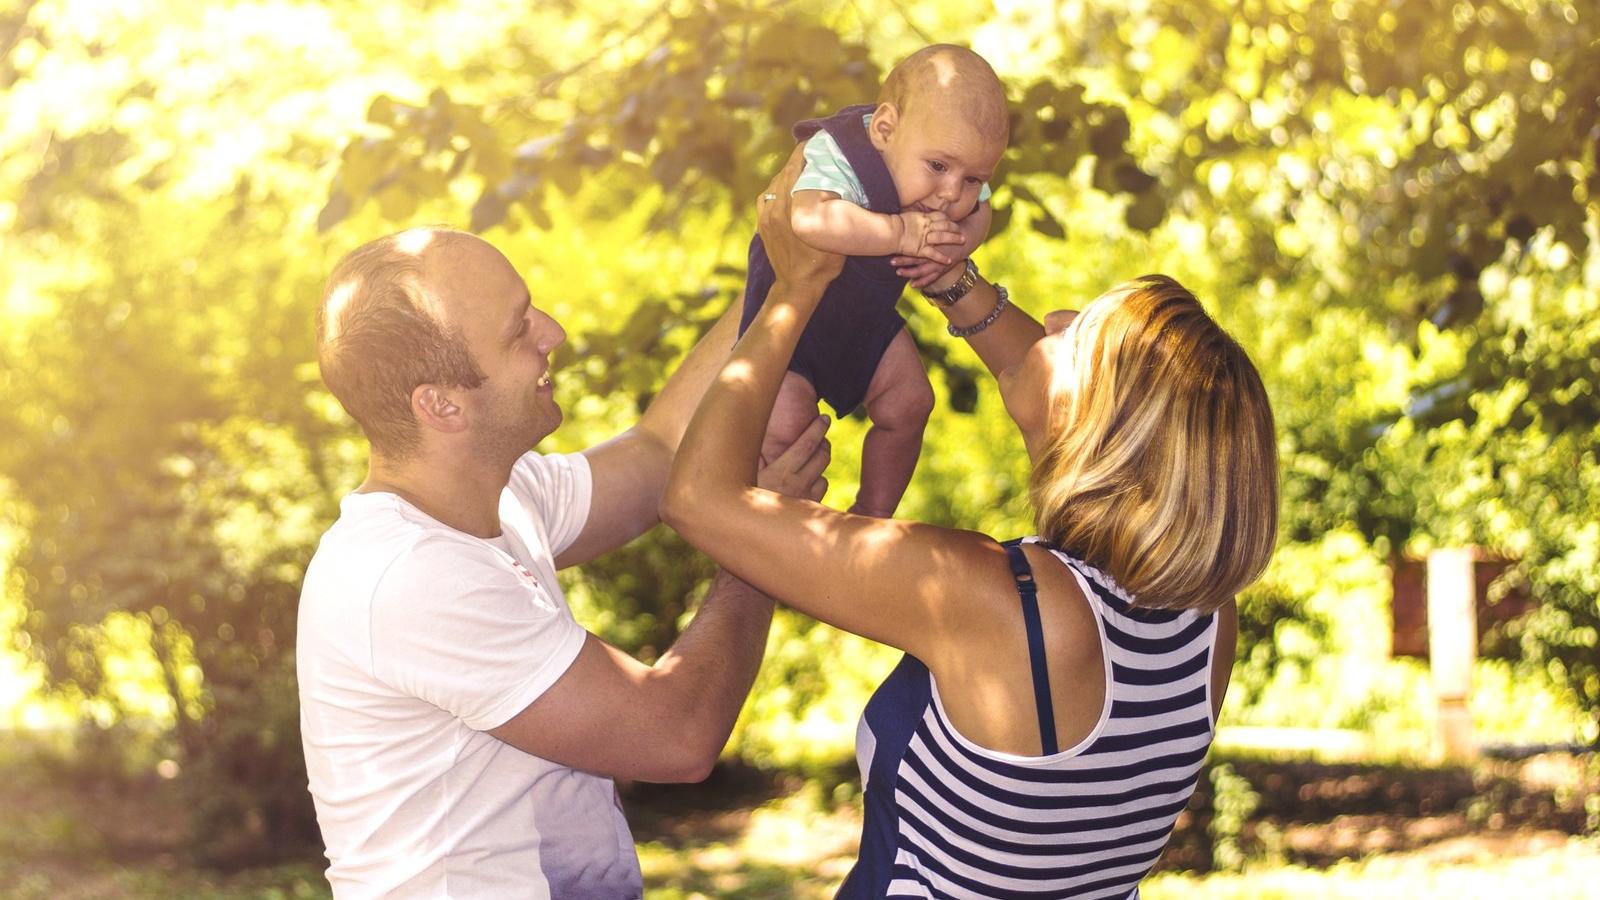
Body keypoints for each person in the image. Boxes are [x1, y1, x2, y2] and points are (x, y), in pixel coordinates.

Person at [664, 154, 1279, 897]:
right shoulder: (1206, 624)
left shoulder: (994, 601)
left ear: (1105, 428)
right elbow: (1035, 374)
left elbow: (698, 499)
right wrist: (948, 273)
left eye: (1074, 333)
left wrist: (791, 293)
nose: (1048, 321)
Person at [297, 226, 831, 898]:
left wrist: (780, 266)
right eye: (519, 329)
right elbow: (678, 734)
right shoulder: (407, 575)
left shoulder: (500, 497)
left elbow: (661, 451)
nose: (553, 332)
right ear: (441, 404)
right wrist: (760, 539)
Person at [738, 44, 1008, 518]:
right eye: (939, 167)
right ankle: (772, 538)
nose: (952, 194)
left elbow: (984, 209)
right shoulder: (840, 152)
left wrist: (959, 245)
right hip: (787, 334)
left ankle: (871, 515)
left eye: (972, 178)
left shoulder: (951, 180)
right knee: (787, 435)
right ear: (885, 129)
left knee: (911, 402)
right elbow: (809, 218)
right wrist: (900, 232)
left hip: (864, 322)